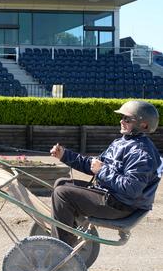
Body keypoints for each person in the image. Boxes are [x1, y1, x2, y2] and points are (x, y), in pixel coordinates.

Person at [49, 100, 162, 247]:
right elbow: (94, 165)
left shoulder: (142, 153)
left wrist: (102, 170)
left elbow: (131, 189)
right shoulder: (122, 142)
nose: (122, 121)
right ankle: (68, 231)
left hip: (122, 205)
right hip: (112, 196)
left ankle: (62, 247)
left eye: (127, 119)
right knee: (62, 183)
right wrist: (64, 155)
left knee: (62, 194)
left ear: (144, 125)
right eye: (122, 117)